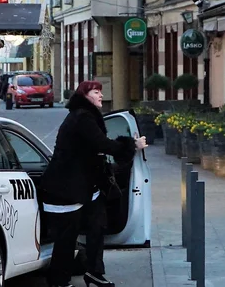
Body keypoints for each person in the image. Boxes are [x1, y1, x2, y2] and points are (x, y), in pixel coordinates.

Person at [39, 81, 147, 287]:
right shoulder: (82, 117)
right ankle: (58, 281)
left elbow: (95, 148)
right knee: (66, 237)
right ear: (85, 95)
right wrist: (131, 145)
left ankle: (94, 272)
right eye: (96, 92)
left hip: (87, 187)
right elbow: (102, 144)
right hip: (66, 188)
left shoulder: (87, 116)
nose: (100, 96)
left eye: (101, 92)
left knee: (97, 226)